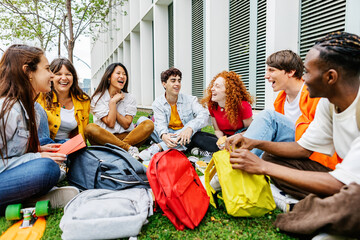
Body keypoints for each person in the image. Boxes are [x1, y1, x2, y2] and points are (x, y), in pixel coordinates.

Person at [226, 32, 360, 238]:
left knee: (351, 202)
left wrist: (262, 167)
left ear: (330, 77)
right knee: (274, 157)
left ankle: (308, 212)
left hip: (350, 188)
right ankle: (322, 209)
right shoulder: (328, 102)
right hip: (343, 183)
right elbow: (302, 149)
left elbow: (341, 183)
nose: (303, 78)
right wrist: (256, 142)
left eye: (306, 72)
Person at [0, 45, 78, 214]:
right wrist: (35, 157)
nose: (52, 74)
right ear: (28, 72)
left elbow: (11, 151)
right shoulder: (6, 110)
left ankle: (29, 195)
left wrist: (37, 149)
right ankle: (30, 197)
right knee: (46, 168)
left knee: (58, 145)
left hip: (12, 169)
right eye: (47, 69)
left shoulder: (32, 107)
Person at [138, 67, 209, 162]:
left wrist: (190, 128)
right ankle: (174, 145)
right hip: (169, 134)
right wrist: (164, 135)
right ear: (164, 84)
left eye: (179, 81)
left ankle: (159, 147)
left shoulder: (190, 100)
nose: (177, 84)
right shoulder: (158, 103)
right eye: (173, 81)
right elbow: (160, 124)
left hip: (184, 133)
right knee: (142, 120)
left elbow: (204, 114)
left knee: (191, 129)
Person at [84, 63, 154, 159]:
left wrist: (114, 108)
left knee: (148, 124)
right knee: (90, 128)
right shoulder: (97, 98)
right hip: (104, 140)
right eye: (118, 73)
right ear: (109, 77)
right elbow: (110, 123)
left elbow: (126, 124)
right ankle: (127, 149)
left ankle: (115, 151)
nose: (122, 76)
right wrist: (112, 102)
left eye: (124, 74)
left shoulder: (130, 98)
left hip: (128, 138)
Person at [195, 70, 253, 154]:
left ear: (228, 91)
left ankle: (217, 152)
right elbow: (217, 130)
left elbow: (250, 131)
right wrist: (222, 141)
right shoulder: (212, 106)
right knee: (197, 136)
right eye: (213, 85)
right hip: (224, 138)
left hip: (239, 138)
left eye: (217, 86)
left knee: (241, 145)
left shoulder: (243, 106)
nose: (212, 89)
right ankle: (225, 150)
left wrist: (233, 139)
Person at [37, 58, 90, 145]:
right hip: (45, 144)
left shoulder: (83, 100)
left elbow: (82, 133)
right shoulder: (40, 96)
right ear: (51, 77)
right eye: (58, 74)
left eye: (68, 74)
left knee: (68, 143)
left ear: (73, 77)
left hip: (69, 145)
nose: (64, 78)